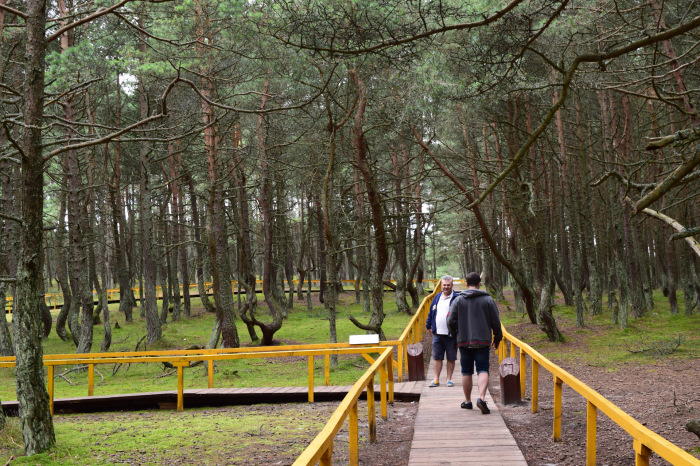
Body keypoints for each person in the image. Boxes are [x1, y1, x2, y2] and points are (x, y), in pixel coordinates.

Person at [447, 271, 502, 414]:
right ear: (479, 284)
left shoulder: (458, 300)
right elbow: (496, 322)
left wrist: (455, 336)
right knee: (483, 369)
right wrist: (497, 338)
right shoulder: (488, 300)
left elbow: (450, 320)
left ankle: (467, 401)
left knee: (466, 372)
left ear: (466, 283)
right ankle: (481, 398)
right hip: (483, 340)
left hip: (464, 340)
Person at [425, 275, 458, 387]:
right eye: (444, 285)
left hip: (451, 334)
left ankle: (448, 379)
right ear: (441, 285)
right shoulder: (437, 297)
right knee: (437, 357)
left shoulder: (457, 298)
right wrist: (428, 325)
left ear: (452, 285)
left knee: (451, 357)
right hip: (437, 334)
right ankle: (436, 379)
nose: (446, 287)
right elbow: (431, 312)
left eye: (448, 285)